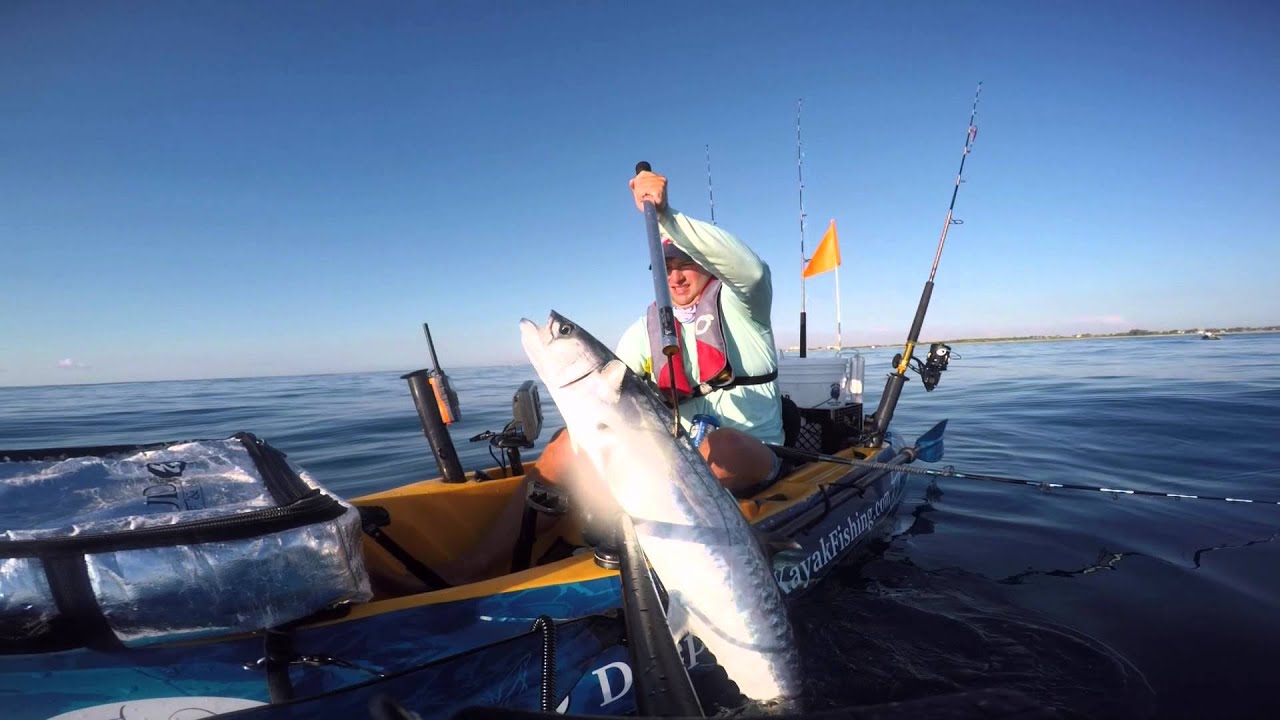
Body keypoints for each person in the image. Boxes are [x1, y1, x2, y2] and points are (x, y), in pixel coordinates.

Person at [436, 169, 783, 585]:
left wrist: (666, 216)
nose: (674, 275)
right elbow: (607, 396)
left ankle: (651, 552)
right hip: (670, 456)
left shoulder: (744, 305)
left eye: (685, 263)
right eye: (665, 265)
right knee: (564, 449)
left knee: (720, 448)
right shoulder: (644, 331)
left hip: (753, 451)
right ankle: (476, 570)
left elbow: (754, 271)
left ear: (707, 266)